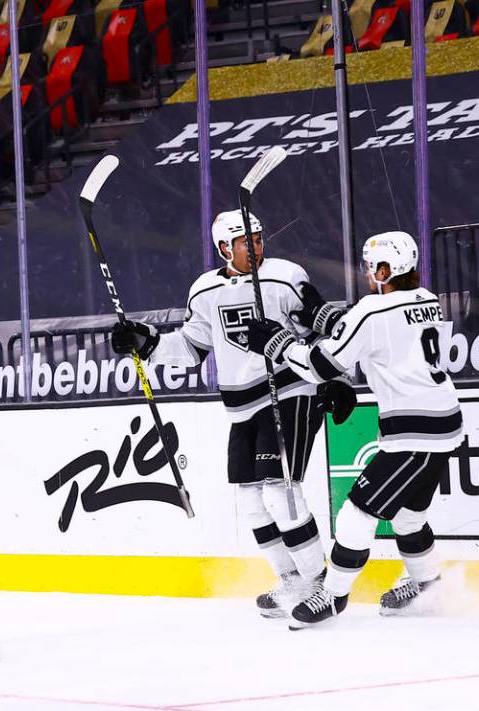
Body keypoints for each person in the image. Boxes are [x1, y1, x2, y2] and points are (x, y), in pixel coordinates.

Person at [111, 210, 355, 617]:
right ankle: (292, 581)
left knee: (281, 494)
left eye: (259, 238)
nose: (257, 247)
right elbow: (190, 349)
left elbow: (320, 327)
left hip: (289, 392)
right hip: (242, 407)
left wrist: (338, 380)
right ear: (224, 248)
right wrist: (146, 341)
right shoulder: (204, 290)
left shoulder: (284, 276)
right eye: (247, 241)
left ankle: (320, 585)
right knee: (252, 503)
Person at [245, 231, 462, 628]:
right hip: (445, 422)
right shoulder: (427, 299)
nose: (366, 274)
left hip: (414, 434)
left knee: (356, 513)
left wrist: (277, 343)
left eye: (369, 267)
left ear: (385, 270)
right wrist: (323, 315)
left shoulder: (370, 311)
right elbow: (371, 333)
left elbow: (321, 366)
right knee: (409, 516)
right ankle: (427, 583)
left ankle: (332, 596)